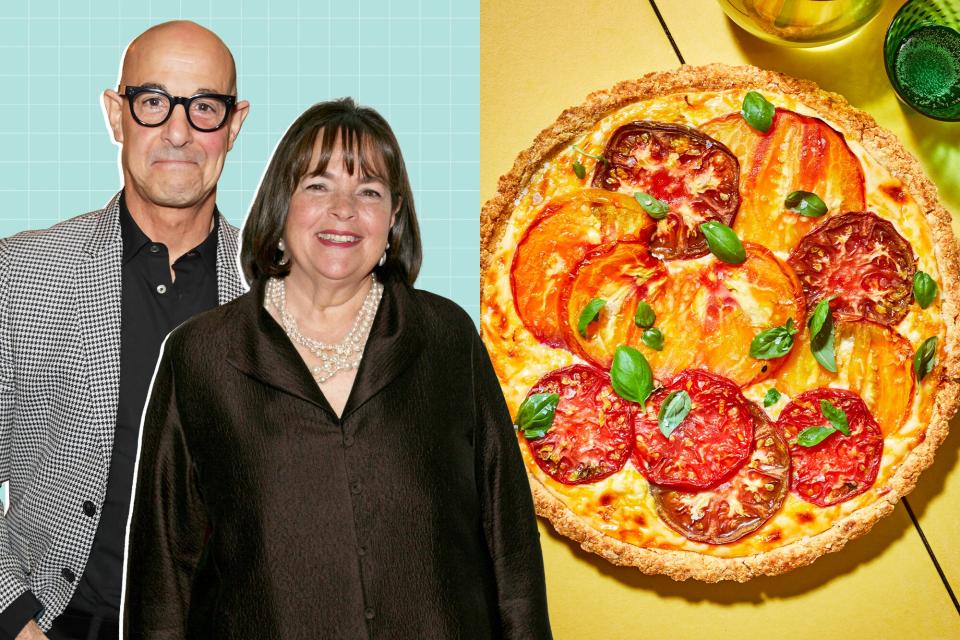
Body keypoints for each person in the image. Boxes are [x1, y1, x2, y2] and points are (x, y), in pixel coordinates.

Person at [123, 98, 552, 639]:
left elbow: (509, 539)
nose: (344, 209)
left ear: (393, 218)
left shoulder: (447, 336)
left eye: (369, 190)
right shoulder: (200, 354)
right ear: (281, 205)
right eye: (318, 185)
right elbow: (162, 571)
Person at [0, 20, 249, 640]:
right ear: (117, 115)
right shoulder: (21, 274)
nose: (178, 131)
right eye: (154, 102)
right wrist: (14, 619)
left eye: (205, 107)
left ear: (234, 125)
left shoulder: (278, 291)